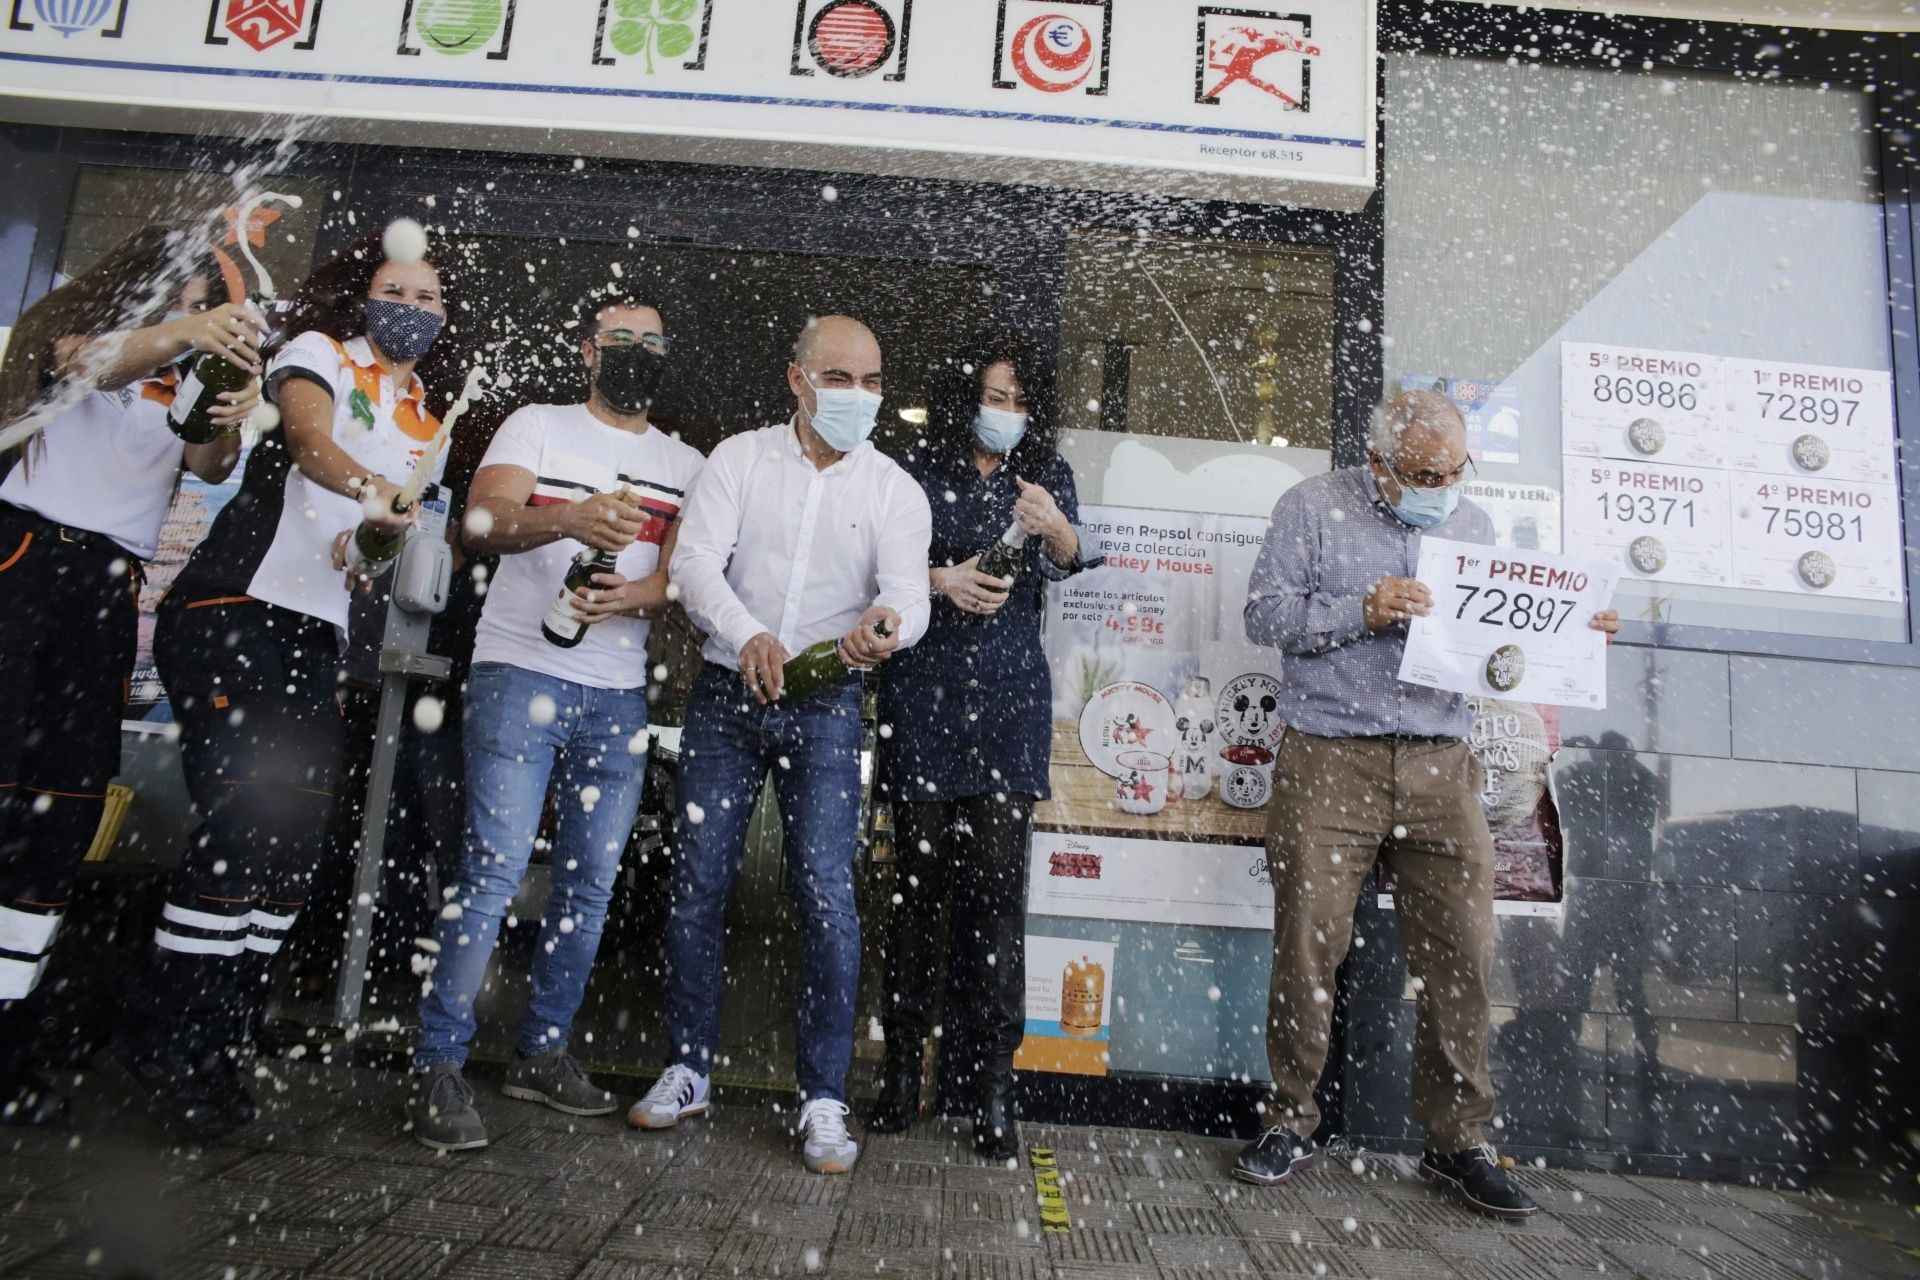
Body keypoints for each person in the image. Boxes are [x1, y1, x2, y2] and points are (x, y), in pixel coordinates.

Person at [100, 231, 451, 1140]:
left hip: (315, 634)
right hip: (231, 608)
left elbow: (365, 547)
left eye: (425, 295)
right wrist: (380, 493)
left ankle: (221, 1038)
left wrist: (370, 544)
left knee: (288, 860)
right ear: (366, 296)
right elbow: (305, 444)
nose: (407, 304)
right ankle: (171, 1045)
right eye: (392, 287)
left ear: (443, 318)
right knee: (242, 833)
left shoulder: (427, 421)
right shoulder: (318, 355)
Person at [1235, 389, 1619, 1218]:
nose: (1443, 486)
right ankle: (1291, 1121)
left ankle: (1456, 1141)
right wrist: (1360, 607)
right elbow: (1265, 615)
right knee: (1308, 942)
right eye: (1423, 473)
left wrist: (1573, 635)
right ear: (1380, 462)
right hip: (1330, 755)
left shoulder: (1471, 528)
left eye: (1454, 470)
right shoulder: (1310, 508)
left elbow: (1501, 650)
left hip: (1444, 764)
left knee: (1464, 953)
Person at [630, 315, 931, 1175]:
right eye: (841, 379)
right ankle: (688, 1066)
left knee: (827, 897)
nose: (860, 398)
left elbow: (908, 594)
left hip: (830, 699)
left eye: (873, 382)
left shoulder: (892, 490)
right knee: (697, 881)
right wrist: (750, 633)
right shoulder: (739, 458)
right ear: (797, 381)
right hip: (727, 692)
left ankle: (822, 1098)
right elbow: (693, 567)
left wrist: (888, 629)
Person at [406, 292, 703, 1151]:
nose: (638, 352)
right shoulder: (535, 424)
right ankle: (436, 1065)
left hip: (615, 692)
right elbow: (483, 521)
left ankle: (539, 1052)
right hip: (516, 673)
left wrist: (634, 592)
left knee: (590, 884)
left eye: (654, 340)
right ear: (588, 351)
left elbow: (683, 581)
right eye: (622, 339)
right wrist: (568, 519)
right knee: (493, 872)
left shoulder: (686, 462)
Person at [0, 229, 258, 1124]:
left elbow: (207, 467)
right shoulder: (75, 338)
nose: (189, 311)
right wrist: (193, 328)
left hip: (111, 581)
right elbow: (84, 361)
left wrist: (226, 419)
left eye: (200, 298)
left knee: (60, 809)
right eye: (178, 295)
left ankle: (11, 1047)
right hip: (22, 555)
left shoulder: (186, 375)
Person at [866, 332, 1093, 1159]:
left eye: (1017, 401)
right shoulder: (913, 472)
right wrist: (942, 579)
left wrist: (1057, 528)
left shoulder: (1047, 473)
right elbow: (874, 569)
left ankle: (995, 1088)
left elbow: (1076, 559)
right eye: (994, 397)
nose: (1005, 414)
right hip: (924, 695)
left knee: (998, 904)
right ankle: (900, 1074)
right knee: (915, 894)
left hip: (1008, 704)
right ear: (967, 397)